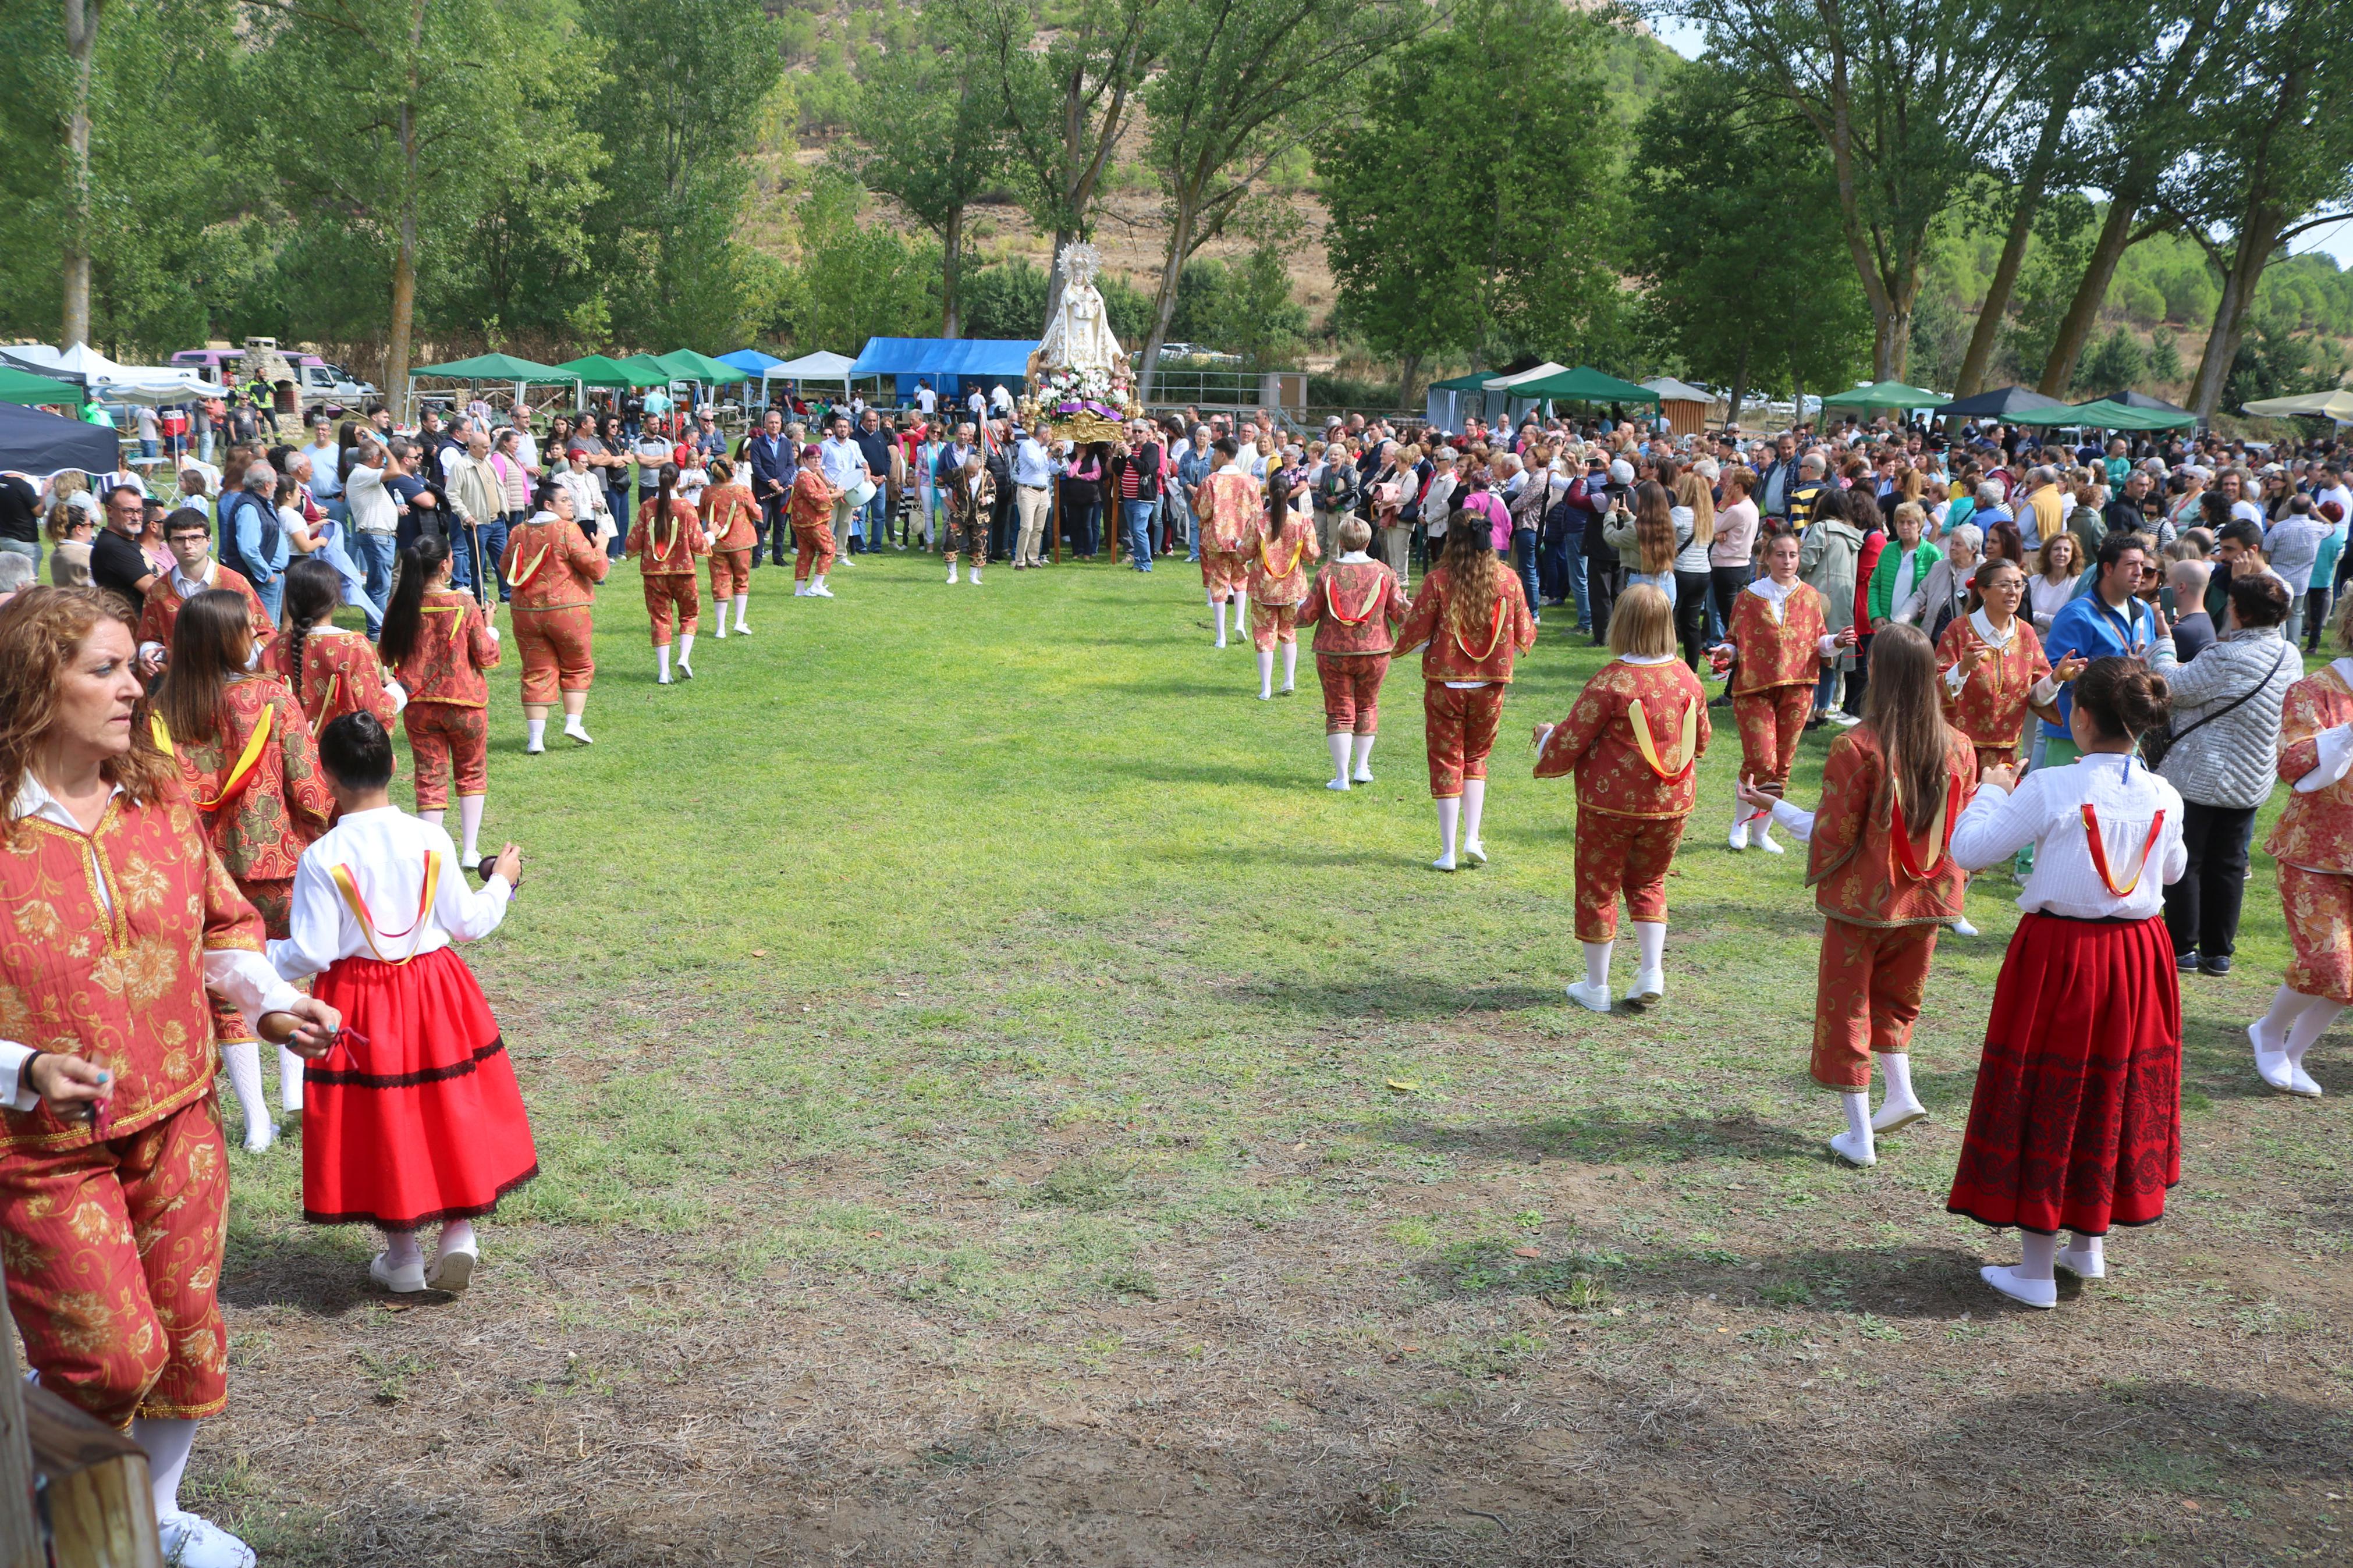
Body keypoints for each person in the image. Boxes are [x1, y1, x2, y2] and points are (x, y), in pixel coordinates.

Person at [0, 586, 342, 1568]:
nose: (131, 686)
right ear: (32, 683)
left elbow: (224, 925)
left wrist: (269, 1000)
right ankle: (44, 1498)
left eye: (132, 665)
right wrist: (22, 1069)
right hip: (41, 1149)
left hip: (179, 1119)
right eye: (101, 669)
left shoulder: (156, 802)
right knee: (111, 1356)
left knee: (186, 1344)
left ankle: (145, 1521)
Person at [1945, 657, 2185, 1309]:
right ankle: (2087, 1242)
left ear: (2079, 717)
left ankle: (2035, 1270)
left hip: (2059, 955)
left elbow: (1968, 852)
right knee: (2110, 1087)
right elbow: (2171, 868)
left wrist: (1990, 788)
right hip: (2137, 958)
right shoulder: (2163, 794)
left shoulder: (2050, 787)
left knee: (2046, 1088)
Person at [269, 710, 535, 1295]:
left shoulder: (322, 857)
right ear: (393, 765)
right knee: (445, 1100)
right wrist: (503, 880)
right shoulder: (429, 836)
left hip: (358, 1000)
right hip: (436, 988)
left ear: (328, 776)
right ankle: (458, 1231)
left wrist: (254, 955)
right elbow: (467, 922)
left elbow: (309, 950)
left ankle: (402, 1255)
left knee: (382, 1116)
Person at [1738, 625, 1979, 1166]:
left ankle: (1858, 1135)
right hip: (1927, 900)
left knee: (1847, 1005)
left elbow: (1832, 832)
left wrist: (1770, 805)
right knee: (1897, 999)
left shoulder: (1858, 746)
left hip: (1863, 902)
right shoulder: (1960, 747)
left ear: (1878, 673)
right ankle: (1900, 1093)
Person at [151, 588, 338, 1151]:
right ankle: (295, 1098)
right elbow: (308, 786)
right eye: (248, 632)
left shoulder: (161, 710)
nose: (258, 639)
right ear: (230, 639)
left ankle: (255, 1119)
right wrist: (319, 831)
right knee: (285, 972)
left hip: (202, 871)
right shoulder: (272, 697)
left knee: (228, 990)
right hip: (274, 860)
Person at [1533, 585, 1707, 1010]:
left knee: (1598, 885)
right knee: (1648, 880)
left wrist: (1544, 740)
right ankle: (1651, 971)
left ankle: (1596, 986)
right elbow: (1700, 742)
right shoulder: (1687, 677)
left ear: (1621, 623)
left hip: (1609, 806)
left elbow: (1570, 741)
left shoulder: (1612, 681)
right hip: (1671, 802)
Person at [2150, 572, 2297, 977]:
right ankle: (2218, 951)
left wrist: (2163, 640)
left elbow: (2171, 686)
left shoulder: (2224, 656)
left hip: (2200, 773)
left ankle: (2182, 946)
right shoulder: (2290, 655)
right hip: (2251, 778)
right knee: (2229, 862)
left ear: (2239, 611)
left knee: (2188, 860)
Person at [2251, 592, 2353, 1097]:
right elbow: (2292, 765)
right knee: (2327, 963)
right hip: (2313, 851)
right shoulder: (2315, 689)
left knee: (2349, 978)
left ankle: (2292, 1055)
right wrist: (2348, 732)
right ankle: (2268, 1031)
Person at [1394, 515, 1538, 872]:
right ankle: (1472, 837)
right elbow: (1524, 636)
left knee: (1446, 760)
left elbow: (1417, 636)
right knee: (1476, 759)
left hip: (1446, 684)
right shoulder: (1509, 580)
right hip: (1490, 685)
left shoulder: (1439, 580)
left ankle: (1448, 851)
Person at [1719, 525, 1853, 852]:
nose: (1788, 561)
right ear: (1766, 558)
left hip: (1798, 688)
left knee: (1782, 764)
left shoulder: (1810, 596)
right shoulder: (1749, 597)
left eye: (1793, 555)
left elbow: (1817, 640)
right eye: (1780, 554)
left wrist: (1835, 642)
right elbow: (1735, 641)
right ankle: (1740, 824)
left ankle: (1762, 831)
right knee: (1760, 760)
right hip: (1754, 688)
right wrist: (1727, 653)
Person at [379, 537, 500, 863]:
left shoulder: (400, 604)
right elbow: (487, 656)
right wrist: (491, 628)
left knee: (430, 775)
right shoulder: (465, 603)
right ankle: (470, 851)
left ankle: (432, 852)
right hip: (466, 704)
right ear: (446, 564)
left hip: (419, 705)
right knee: (472, 772)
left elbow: (386, 654)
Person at [1298, 517, 1407, 791]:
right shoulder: (1385, 573)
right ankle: (1363, 767)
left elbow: (1308, 615)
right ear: (1369, 542)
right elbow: (1400, 615)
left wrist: (1292, 615)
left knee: (1338, 711)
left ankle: (1341, 777)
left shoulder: (1327, 573)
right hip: (1375, 650)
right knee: (1367, 705)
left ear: (1341, 542)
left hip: (1333, 651)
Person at [501, 480, 608, 751]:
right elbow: (595, 568)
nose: (570, 504)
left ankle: (535, 739)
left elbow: (505, 569)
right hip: (566, 611)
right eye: (565, 500)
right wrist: (602, 547)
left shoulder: (518, 531)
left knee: (536, 671)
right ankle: (573, 722)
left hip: (525, 612)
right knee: (578, 665)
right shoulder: (567, 529)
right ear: (548, 504)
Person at [2039, 533, 2159, 772]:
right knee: (2066, 804)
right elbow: (2054, 672)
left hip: (2126, 731)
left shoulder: (2143, 610)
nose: (2139, 573)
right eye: (2130, 565)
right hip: (2076, 735)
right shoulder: (2077, 614)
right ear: (2108, 568)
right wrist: (2075, 673)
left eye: (2142, 566)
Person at [267, 556, 400, 735]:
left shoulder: (274, 649)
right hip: (342, 757)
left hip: (292, 755)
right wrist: (396, 690)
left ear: (290, 601)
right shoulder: (353, 647)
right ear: (334, 599)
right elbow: (376, 710)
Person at [135, 506, 275, 673]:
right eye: (179, 540)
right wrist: (149, 652)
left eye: (195, 538)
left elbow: (265, 633)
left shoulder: (235, 583)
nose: (188, 545)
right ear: (169, 544)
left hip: (233, 679)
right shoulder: (159, 591)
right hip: (182, 682)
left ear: (209, 541)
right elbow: (149, 636)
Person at [1235, 474, 1322, 700]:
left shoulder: (1258, 521)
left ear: (1270, 493)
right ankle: (1289, 679)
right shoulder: (1303, 521)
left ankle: (1266, 687)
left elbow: (1245, 553)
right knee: (1288, 633)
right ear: (1290, 491)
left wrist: (1238, 546)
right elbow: (1313, 554)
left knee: (1264, 636)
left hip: (1264, 587)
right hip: (1292, 587)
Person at [626, 463, 710, 685]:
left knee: (660, 619)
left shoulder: (647, 507)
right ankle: (683, 657)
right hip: (683, 571)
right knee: (689, 614)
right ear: (678, 480)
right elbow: (698, 542)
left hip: (653, 573)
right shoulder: (685, 507)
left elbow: (634, 540)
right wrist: (712, 536)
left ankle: (664, 671)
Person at [1799, 485, 1866, 725]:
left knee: (1811, 653)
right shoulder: (1854, 535)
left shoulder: (1821, 529)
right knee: (1831, 657)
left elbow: (1806, 562)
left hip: (1817, 599)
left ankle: (1806, 714)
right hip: (1843, 601)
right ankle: (1822, 711)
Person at [1195, 437, 1260, 649]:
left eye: (1215, 453)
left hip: (1217, 538)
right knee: (1241, 579)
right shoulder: (1251, 481)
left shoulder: (1211, 481)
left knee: (1218, 583)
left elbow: (1203, 511)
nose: (1213, 456)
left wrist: (1203, 520)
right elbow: (1258, 512)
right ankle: (1240, 622)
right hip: (1243, 538)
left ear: (1222, 454)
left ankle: (1221, 636)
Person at [218, 460, 291, 620]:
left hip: (271, 577)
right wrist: (268, 575)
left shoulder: (260, 503)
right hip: (261, 580)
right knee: (263, 630)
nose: (276, 485)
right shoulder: (249, 507)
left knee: (271, 629)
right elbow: (248, 549)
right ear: (266, 485)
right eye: (274, 482)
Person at [699, 456, 758, 638]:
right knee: (741, 580)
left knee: (719, 582)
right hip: (741, 543)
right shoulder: (743, 491)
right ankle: (739, 621)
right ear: (732, 470)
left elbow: (701, 513)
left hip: (716, 544)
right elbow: (755, 513)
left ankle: (720, 628)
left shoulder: (708, 491)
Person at [89, 481, 160, 613]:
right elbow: (154, 589)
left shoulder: (129, 539)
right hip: (130, 625)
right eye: (128, 511)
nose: (136, 517)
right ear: (109, 511)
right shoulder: (113, 547)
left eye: (139, 511)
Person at [787, 442, 840, 598]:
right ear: (804, 460)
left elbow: (819, 494)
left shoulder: (810, 474)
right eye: (813, 458)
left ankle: (800, 590)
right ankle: (817, 585)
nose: (817, 461)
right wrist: (836, 495)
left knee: (805, 553)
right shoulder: (805, 476)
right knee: (829, 549)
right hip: (812, 522)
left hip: (804, 522)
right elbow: (816, 498)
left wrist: (831, 492)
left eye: (819, 457)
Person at [747, 408, 794, 568]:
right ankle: (757, 558)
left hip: (782, 491)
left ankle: (778, 557)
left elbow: (790, 466)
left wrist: (780, 482)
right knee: (761, 524)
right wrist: (770, 482)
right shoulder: (757, 444)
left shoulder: (787, 443)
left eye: (777, 423)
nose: (774, 426)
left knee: (780, 525)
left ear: (781, 424)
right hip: (764, 491)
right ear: (765, 424)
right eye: (771, 423)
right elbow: (757, 467)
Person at [943, 452, 993, 585]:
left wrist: (986, 500)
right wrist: (946, 500)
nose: (971, 475)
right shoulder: (958, 472)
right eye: (968, 472)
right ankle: (953, 574)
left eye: (973, 472)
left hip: (979, 515)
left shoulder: (987, 476)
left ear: (979, 466)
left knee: (978, 544)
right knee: (950, 539)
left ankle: (974, 576)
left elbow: (993, 494)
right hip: (959, 512)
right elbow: (939, 481)